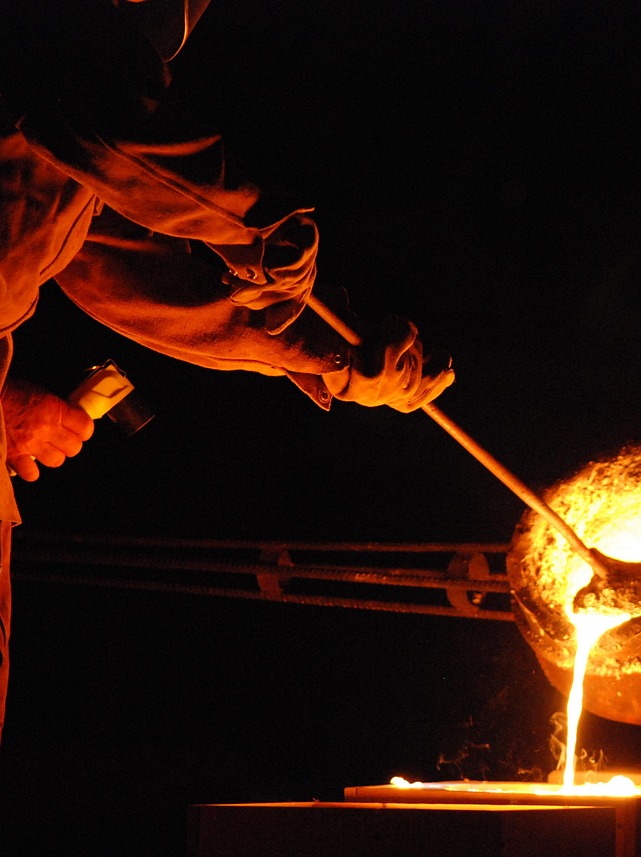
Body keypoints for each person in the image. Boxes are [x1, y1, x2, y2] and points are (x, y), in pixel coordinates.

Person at [0, 0, 455, 746]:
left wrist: (336, 361)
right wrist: (258, 223)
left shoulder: (62, 124)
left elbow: (131, 271)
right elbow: (91, 113)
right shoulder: (55, 46)